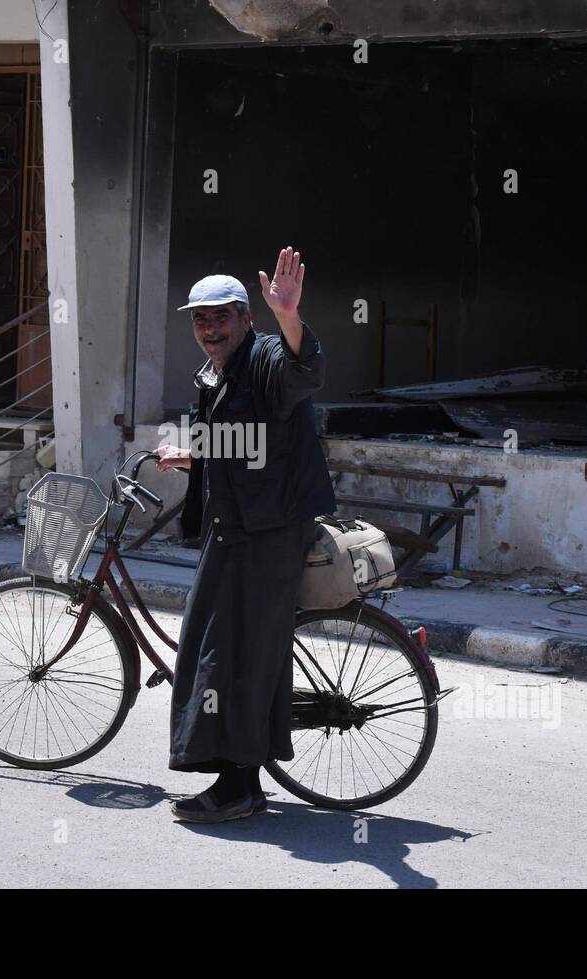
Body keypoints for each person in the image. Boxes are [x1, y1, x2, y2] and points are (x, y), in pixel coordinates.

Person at [155, 246, 336, 822]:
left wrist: (289, 315)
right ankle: (233, 775)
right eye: (200, 320)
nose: (210, 330)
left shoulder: (263, 360)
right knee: (211, 647)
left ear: (245, 320)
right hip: (232, 528)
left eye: (222, 318)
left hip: (270, 531)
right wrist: (191, 457)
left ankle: (240, 787)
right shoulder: (218, 376)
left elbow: (304, 371)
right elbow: (251, 443)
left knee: (242, 655)